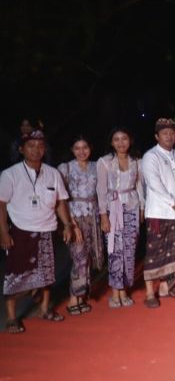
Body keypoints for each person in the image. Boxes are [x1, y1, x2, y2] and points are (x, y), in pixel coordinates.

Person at [0, 130, 78, 333]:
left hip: (46, 230)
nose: (36, 150)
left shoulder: (53, 173)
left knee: (46, 274)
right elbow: (1, 205)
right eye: (31, 146)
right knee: (16, 275)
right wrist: (3, 233)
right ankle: (11, 318)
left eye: (40, 146)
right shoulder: (10, 174)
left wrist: (67, 224)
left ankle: (44, 309)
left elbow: (61, 202)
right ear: (21, 149)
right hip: (20, 231)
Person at [141, 118, 175, 308]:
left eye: (171, 133)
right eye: (165, 133)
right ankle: (149, 293)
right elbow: (154, 184)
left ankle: (166, 288)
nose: (169, 136)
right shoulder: (150, 156)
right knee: (154, 252)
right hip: (158, 212)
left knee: (174, 250)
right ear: (157, 136)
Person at [97, 127, 145, 308]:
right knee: (115, 251)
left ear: (130, 140)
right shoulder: (105, 162)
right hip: (112, 209)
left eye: (124, 138)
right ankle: (115, 292)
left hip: (132, 207)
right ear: (111, 142)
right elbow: (101, 190)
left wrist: (142, 208)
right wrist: (103, 216)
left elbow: (140, 186)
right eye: (116, 139)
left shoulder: (136, 161)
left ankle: (124, 288)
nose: (120, 142)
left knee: (129, 249)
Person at [58, 135, 101, 315]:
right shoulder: (65, 168)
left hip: (93, 216)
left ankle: (82, 295)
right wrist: (71, 223)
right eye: (77, 148)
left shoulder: (96, 166)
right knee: (79, 257)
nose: (81, 151)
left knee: (88, 257)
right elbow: (61, 198)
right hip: (75, 216)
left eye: (85, 147)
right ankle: (73, 298)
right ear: (72, 150)